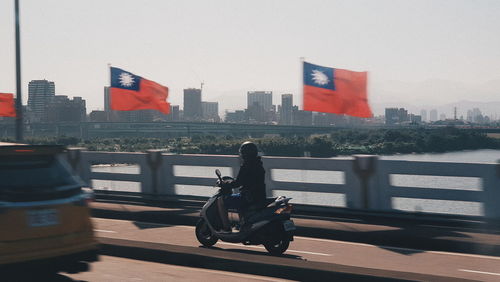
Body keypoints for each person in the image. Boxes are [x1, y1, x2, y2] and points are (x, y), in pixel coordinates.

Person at [217, 141, 266, 232]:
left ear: (244, 154)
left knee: (221, 201)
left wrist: (226, 184)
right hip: (259, 197)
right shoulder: (258, 164)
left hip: (248, 197)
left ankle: (226, 228)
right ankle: (242, 223)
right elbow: (243, 180)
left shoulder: (246, 165)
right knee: (238, 199)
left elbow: (237, 183)